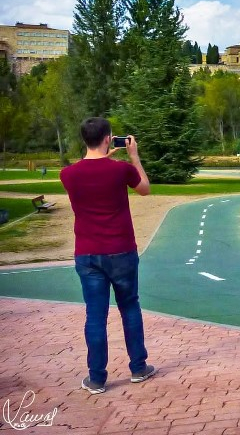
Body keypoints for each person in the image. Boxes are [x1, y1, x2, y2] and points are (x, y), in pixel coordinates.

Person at [60, 118, 156, 394]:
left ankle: (97, 378)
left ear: (85, 139)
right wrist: (134, 157)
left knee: (95, 315)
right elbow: (145, 188)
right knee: (129, 307)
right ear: (108, 139)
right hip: (121, 249)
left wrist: (100, 155)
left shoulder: (68, 175)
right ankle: (138, 367)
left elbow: (87, 170)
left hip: (88, 253)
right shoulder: (121, 170)